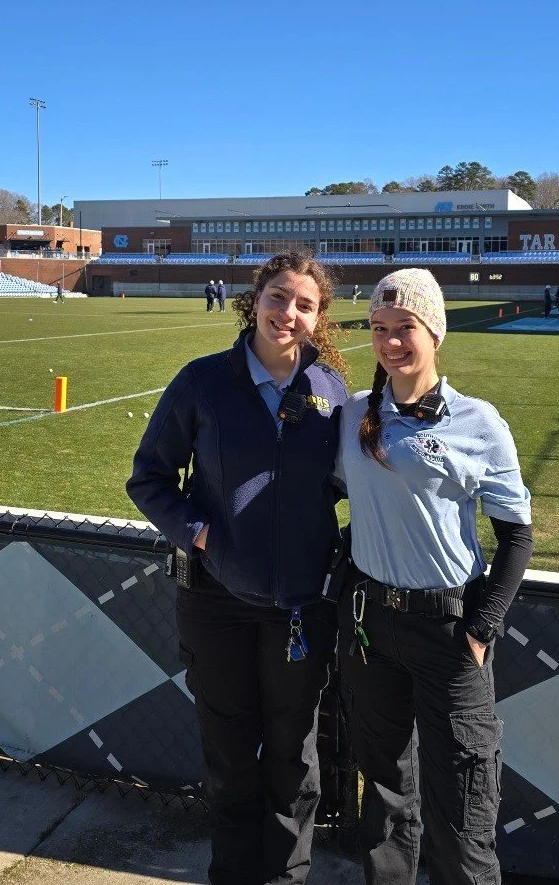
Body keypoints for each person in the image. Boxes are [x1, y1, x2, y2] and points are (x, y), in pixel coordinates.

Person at [127, 251, 350, 885]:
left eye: (305, 304)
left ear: (318, 317)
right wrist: (198, 533)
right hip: (216, 603)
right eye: (280, 297)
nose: (289, 313)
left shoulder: (333, 393)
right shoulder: (203, 382)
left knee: (293, 759)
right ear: (255, 299)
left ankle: (285, 877)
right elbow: (149, 479)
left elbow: (354, 483)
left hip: (301, 610)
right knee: (228, 756)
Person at [334, 268, 533, 885]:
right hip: (371, 629)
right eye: (380, 330)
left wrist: (482, 627)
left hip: (448, 634)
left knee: (464, 804)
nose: (392, 343)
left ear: (435, 333)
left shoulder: (479, 423)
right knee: (387, 791)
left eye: (406, 329)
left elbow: (517, 535)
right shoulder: (350, 418)